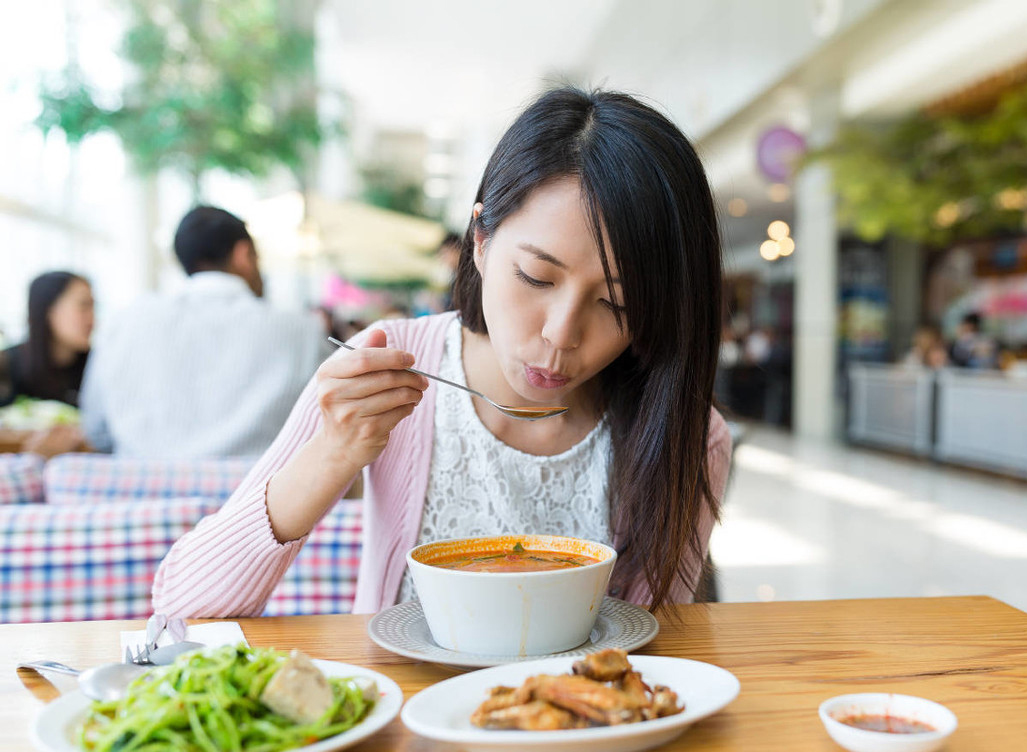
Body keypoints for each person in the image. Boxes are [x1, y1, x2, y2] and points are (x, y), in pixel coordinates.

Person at [153, 86, 732, 618]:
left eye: (617, 306)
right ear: (480, 240)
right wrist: (333, 451)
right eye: (535, 276)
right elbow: (184, 606)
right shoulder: (392, 360)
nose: (561, 333)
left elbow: (652, 654)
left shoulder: (687, 433)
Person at [80, 206, 330, 458]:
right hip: (267, 493)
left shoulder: (123, 322)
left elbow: (96, 429)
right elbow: (331, 422)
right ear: (243, 254)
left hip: (138, 492)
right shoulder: (301, 331)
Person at [0, 271, 94, 456]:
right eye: (84, 307)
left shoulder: (97, 366)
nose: (92, 319)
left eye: (93, 307)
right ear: (49, 310)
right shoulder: (7, 364)